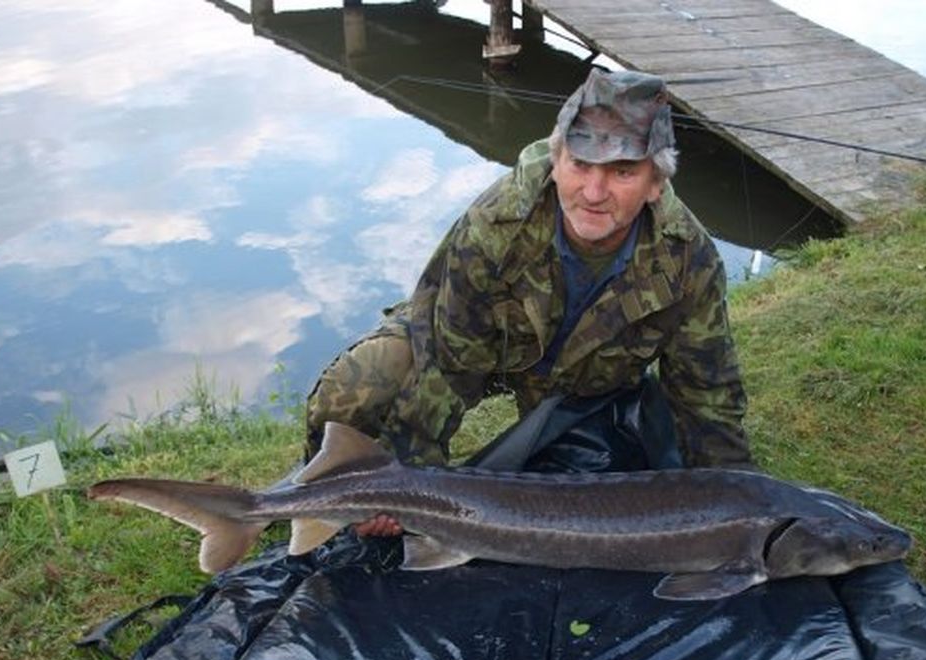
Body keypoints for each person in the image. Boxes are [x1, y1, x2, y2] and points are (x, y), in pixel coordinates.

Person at [304, 69, 753, 536]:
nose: (594, 193)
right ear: (557, 160)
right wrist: (404, 490)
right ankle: (321, 499)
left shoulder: (687, 257)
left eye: (622, 171)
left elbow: (707, 393)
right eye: (580, 164)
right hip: (479, 348)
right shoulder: (496, 224)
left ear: (656, 182)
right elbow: (448, 365)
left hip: (589, 379)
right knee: (355, 384)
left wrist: (743, 501)